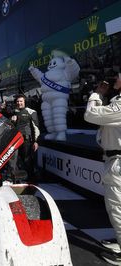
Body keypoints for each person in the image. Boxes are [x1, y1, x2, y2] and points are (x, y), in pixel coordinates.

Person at [84, 73, 121, 265]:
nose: (115, 78)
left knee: (118, 208)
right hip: (114, 159)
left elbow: (91, 115)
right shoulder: (117, 101)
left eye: (118, 76)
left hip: (118, 162)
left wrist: (96, 94)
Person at [10, 95, 40, 180]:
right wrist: (11, 120)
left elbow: (36, 127)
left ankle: (31, 179)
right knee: (15, 161)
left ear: (25, 102)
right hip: (15, 141)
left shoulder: (31, 112)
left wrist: (36, 141)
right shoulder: (14, 112)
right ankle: (20, 179)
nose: (19, 103)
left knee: (28, 161)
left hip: (27, 140)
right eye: (17, 101)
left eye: (21, 101)